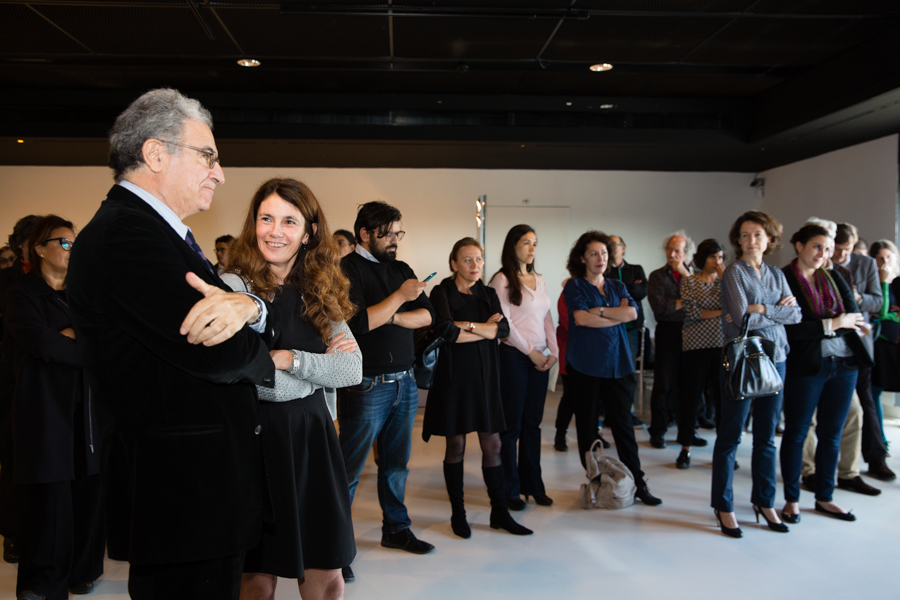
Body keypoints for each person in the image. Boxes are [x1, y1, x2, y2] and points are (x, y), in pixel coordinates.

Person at [67, 88, 280, 600]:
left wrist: (249, 307)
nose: (219, 173)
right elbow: (221, 353)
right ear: (156, 153)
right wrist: (257, 341)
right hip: (182, 495)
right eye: (208, 155)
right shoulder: (127, 236)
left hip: (192, 492)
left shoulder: (157, 233)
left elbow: (236, 324)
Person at [221, 178, 360, 600]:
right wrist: (314, 373)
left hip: (313, 440)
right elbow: (251, 380)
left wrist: (289, 359)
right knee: (256, 580)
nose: (275, 231)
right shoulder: (233, 289)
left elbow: (351, 369)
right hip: (255, 441)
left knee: (328, 575)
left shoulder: (320, 289)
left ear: (309, 232)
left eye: (288, 221)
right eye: (266, 218)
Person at [6, 216, 105, 600]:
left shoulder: (83, 293)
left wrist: (71, 338)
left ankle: (82, 571)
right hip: (45, 407)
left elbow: (104, 341)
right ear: (39, 248)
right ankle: (43, 582)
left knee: (88, 489)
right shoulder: (22, 294)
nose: (71, 250)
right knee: (49, 496)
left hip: (88, 406)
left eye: (74, 244)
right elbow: (40, 343)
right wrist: (77, 344)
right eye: (64, 243)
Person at [338, 201, 436, 580]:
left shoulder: (401, 269)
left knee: (396, 465)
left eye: (398, 233)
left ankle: (396, 528)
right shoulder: (348, 269)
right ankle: (336, 548)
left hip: (404, 381)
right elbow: (358, 323)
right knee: (348, 470)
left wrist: (392, 317)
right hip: (366, 385)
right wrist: (399, 299)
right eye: (387, 234)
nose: (395, 240)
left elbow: (427, 316)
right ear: (364, 234)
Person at [424, 237, 532, 537]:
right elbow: (446, 331)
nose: (475, 265)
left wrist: (467, 326)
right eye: (468, 259)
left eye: (479, 259)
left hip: (486, 379)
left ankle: (500, 512)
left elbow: (504, 329)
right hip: (454, 380)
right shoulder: (441, 291)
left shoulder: (487, 293)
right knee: (456, 445)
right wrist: (485, 329)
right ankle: (458, 514)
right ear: (454, 263)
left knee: (493, 444)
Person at [712, 211, 800, 538]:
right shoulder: (734, 272)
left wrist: (761, 309)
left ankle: (764, 502)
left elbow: (796, 314)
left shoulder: (777, 273)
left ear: (769, 239)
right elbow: (739, 317)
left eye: (758, 235)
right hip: (743, 360)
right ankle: (723, 505)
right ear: (738, 240)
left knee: (766, 437)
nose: (751, 241)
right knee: (730, 436)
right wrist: (776, 311)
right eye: (745, 235)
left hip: (777, 359)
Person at [563, 231, 662, 506]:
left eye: (604, 253)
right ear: (582, 258)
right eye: (593, 253)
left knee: (623, 426)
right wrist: (613, 315)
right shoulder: (574, 286)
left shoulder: (617, 286)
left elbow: (632, 314)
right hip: (585, 366)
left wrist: (599, 312)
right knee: (587, 428)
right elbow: (581, 319)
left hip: (618, 365)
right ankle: (596, 482)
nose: (600, 258)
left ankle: (638, 483)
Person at [780, 224, 871, 522]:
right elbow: (790, 329)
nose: (823, 254)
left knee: (831, 435)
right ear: (799, 246)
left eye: (828, 248)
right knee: (796, 433)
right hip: (806, 366)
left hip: (845, 365)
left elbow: (853, 316)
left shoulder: (834, 275)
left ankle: (825, 498)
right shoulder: (784, 279)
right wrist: (832, 323)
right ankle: (791, 500)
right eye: (817, 246)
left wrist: (831, 325)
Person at [489, 224, 558, 510]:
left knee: (533, 425)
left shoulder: (539, 279)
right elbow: (505, 326)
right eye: (526, 243)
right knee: (512, 427)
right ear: (513, 246)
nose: (532, 248)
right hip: (514, 358)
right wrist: (531, 353)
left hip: (540, 358)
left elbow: (546, 318)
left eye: (535, 243)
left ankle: (533, 486)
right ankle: (510, 490)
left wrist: (553, 351)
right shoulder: (502, 280)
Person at [833, 224, 895, 482]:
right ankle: (821, 466)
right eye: (837, 249)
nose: (840, 255)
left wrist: (858, 299)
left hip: (860, 343)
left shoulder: (866, 264)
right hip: (831, 341)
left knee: (866, 402)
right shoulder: (822, 262)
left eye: (846, 250)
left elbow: (878, 303)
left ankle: (876, 458)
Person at [0, 215, 42, 565]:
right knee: (15, 460)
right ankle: (13, 533)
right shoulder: (6, 281)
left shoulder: (61, 281)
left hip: (51, 381)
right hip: (11, 381)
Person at [675, 239, 725, 469]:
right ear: (703, 258)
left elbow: (737, 307)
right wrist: (722, 312)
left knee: (722, 400)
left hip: (722, 346)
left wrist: (726, 282)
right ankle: (685, 448)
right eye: (713, 257)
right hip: (695, 346)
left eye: (721, 257)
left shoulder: (726, 283)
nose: (717, 262)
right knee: (690, 398)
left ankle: (723, 451)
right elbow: (693, 313)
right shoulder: (690, 281)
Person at [647, 231, 696, 449]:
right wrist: (687, 302)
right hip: (667, 331)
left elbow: (702, 303)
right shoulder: (657, 276)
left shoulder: (696, 275)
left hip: (693, 332)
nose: (672, 254)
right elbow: (659, 308)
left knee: (690, 385)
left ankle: (688, 432)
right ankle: (657, 431)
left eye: (677, 250)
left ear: (687, 254)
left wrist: (685, 275)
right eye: (669, 249)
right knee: (663, 383)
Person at [605, 234, 648, 428]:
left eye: (616, 244)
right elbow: (608, 296)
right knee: (610, 372)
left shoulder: (636, 269)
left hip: (631, 330)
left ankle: (626, 413)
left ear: (624, 247)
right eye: (609, 245)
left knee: (627, 373)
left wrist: (622, 291)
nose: (613, 247)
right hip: (609, 328)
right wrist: (630, 289)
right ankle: (609, 414)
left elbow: (642, 292)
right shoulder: (605, 270)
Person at [869, 239, 900, 456]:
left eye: (888, 256)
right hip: (881, 345)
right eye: (880, 258)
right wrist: (883, 283)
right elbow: (882, 312)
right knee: (874, 394)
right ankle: (879, 443)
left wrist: (889, 316)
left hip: (896, 345)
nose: (885, 261)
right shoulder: (875, 283)